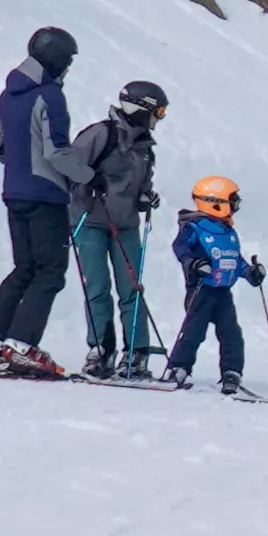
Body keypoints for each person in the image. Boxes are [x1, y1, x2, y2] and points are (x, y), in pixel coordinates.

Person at [0, 23, 80, 374]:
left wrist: (21, 166)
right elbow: (58, 152)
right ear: (57, 60)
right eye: (67, 62)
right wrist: (89, 179)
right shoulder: (50, 95)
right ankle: (22, 344)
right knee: (50, 272)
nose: (67, 70)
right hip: (46, 195)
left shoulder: (10, 93)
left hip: (14, 192)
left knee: (24, 268)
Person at [64, 76, 169, 375]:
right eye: (157, 112)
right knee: (97, 288)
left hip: (125, 225)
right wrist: (88, 180)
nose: (158, 118)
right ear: (140, 108)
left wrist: (146, 198)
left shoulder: (145, 148)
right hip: (91, 222)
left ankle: (137, 353)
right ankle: (100, 350)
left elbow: (141, 185)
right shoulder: (100, 135)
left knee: (131, 289)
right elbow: (70, 167)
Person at [166, 173, 262, 392]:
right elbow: (180, 247)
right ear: (216, 203)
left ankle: (232, 371)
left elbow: (234, 259)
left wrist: (249, 272)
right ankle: (179, 367)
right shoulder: (194, 227)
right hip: (201, 289)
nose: (236, 205)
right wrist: (193, 263)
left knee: (231, 333)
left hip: (222, 291)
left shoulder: (228, 230)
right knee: (193, 331)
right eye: (232, 200)